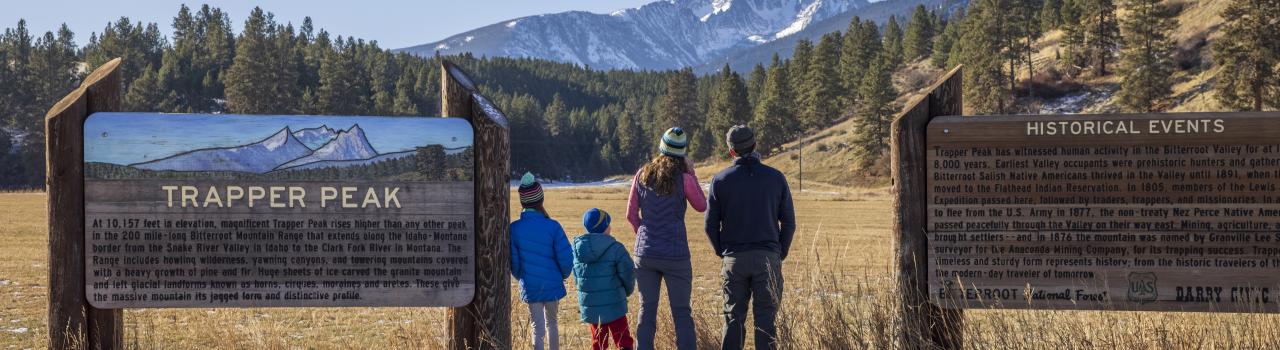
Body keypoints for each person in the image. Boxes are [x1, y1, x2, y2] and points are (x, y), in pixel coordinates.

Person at [705, 125, 796, 350]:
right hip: (767, 256)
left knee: (733, 319)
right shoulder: (775, 178)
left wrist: (722, 251)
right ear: (755, 146)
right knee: (766, 321)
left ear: (731, 152)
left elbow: (710, 225)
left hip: (734, 257)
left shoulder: (720, 180)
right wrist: (779, 251)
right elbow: (789, 223)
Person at [626, 127, 707, 350]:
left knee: (646, 309)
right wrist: (692, 173)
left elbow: (631, 215)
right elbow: (702, 205)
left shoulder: (642, 174)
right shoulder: (684, 179)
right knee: (682, 312)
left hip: (646, 254)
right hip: (676, 254)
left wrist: (645, 234)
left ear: (661, 148)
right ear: (682, 153)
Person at [510, 172, 574, 350]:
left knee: (536, 326)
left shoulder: (514, 229)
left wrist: (522, 277)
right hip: (552, 283)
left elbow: (514, 264)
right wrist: (563, 274)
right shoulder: (553, 226)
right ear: (541, 200)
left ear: (522, 201)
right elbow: (565, 258)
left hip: (530, 285)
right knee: (552, 323)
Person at [572, 208, 637, 350]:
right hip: (615, 306)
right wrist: (627, 291)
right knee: (623, 341)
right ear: (605, 227)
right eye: (609, 224)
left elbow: (578, 279)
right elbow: (629, 273)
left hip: (593, 308)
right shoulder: (616, 248)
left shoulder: (578, 251)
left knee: (599, 343)